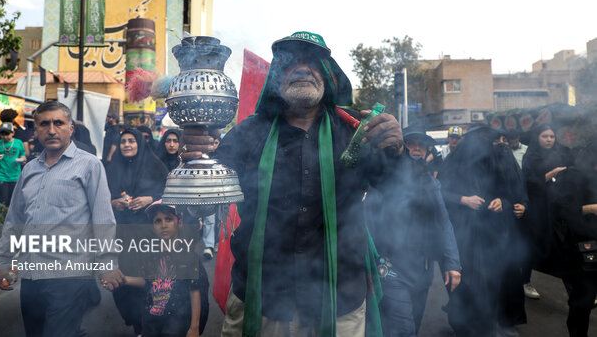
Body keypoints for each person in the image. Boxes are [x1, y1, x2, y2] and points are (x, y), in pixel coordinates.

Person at [183, 31, 403, 336]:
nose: (302, 68)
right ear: (276, 78)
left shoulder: (355, 130)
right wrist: (194, 164)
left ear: (328, 76)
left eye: (312, 62)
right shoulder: (248, 133)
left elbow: (401, 192)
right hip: (263, 300)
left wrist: (397, 151)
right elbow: (201, 207)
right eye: (290, 63)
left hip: (340, 298)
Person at [0, 101, 124, 337]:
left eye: (58, 123)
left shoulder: (89, 165)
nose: (51, 130)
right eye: (44, 124)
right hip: (31, 273)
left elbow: (103, 217)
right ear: (36, 131)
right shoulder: (30, 169)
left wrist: (107, 263)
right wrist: (2, 261)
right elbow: (15, 220)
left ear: (70, 129)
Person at [367, 127, 461, 337]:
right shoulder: (382, 179)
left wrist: (452, 263)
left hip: (422, 269)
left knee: (414, 326)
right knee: (403, 329)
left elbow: (444, 222)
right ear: (400, 148)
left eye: (422, 144)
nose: (417, 148)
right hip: (390, 267)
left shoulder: (430, 182)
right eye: (411, 143)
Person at [438, 126, 510, 337]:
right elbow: (439, 194)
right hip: (461, 237)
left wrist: (501, 202)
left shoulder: (492, 164)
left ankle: (486, 326)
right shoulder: (452, 164)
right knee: (464, 285)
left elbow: (506, 192)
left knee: (490, 285)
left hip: (489, 237)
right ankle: (463, 326)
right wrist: (463, 200)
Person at [108, 200, 210, 337]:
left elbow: (195, 291)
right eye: (157, 221)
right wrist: (124, 280)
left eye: (168, 219)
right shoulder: (151, 253)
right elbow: (148, 281)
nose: (163, 225)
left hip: (178, 321)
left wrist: (194, 327)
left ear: (179, 222)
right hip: (152, 320)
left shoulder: (187, 254)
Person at [106, 127, 169, 335]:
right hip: (123, 232)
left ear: (140, 143)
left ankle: (150, 322)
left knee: (150, 277)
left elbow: (169, 191)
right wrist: (114, 202)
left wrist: (150, 199)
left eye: (131, 141)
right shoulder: (112, 167)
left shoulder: (155, 165)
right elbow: (103, 195)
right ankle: (136, 322)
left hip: (150, 231)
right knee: (125, 280)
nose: (127, 145)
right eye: (123, 141)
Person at [551, 141, 597, 337]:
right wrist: (589, 209)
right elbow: (558, 210)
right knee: (582, 302)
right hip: (582, 248)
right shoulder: (572, 176)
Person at [522, 124, 571, 299]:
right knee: (530, 246)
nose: (549, 139)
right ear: (537, 138)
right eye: (545, 136)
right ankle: (525, 281)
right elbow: (530, 183)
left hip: (556, 209)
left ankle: (574, 289)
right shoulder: (530, 157)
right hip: (536, 210)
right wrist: (553, 173)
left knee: (562, 248)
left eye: (551, 136)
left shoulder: (559, 153)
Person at [491, 130, 529, 336]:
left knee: (510, 276)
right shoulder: (483, 166)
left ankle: (508, 320)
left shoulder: (512, 164)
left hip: (511, 232)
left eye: (505, 140)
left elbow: (521, 192)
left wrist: (523, 205)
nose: (501, 144)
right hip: (488, 233)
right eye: (497, 140)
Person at [0, 122, 26, 211]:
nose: (4, 137)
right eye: (2, 134)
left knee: (13, 202)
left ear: (13, 133)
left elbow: (23, 154)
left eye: (7, 134)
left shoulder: (19, 142)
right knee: (1, 202)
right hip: (0, 176)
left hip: (15, 176)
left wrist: (23, 159)